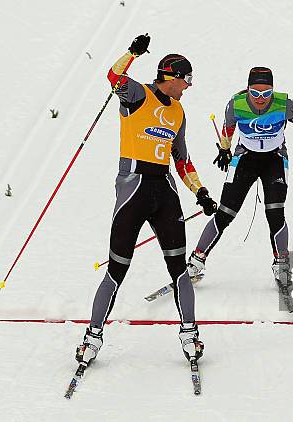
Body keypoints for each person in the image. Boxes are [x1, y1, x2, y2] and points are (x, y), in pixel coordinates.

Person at [75, 34, 217, 366]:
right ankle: (92, 338)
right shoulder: (139, 94)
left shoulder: (178, 112)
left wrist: (201, 192)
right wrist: (132, 53)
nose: (189, 86)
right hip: (133, 187)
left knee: (179, 269)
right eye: (187, 79)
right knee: (116, 269)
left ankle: (190, 334)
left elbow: (181, 159)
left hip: (164, 189)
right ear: (172, 77)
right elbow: (114, 78)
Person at [187, 66, 293, 291]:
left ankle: (282, 264)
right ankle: (196, 261)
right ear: (247, 90)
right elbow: (228, 128)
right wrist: (225, 150)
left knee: (275, 212)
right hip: (245, 158)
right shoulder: (236, 104)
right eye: (255, 94)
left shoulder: (284, 105)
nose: (261, 99)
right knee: (225, 213)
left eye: (267, 94)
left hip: (274, 160)